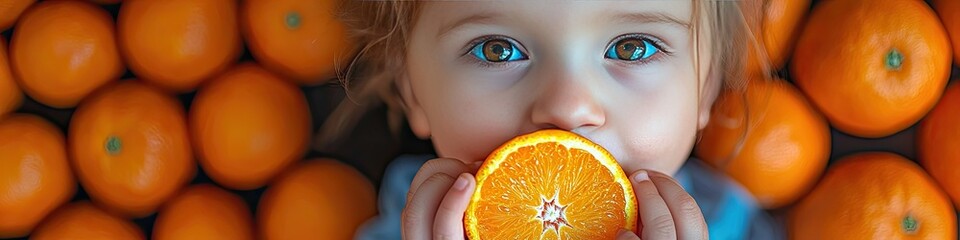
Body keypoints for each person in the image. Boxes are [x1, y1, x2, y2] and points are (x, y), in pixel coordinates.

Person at [323, 1, 782, 239]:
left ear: (705, 88)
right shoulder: (407, 220)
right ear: (411, 90)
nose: (568, 107)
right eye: (497, 49)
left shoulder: (735, 223)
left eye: (631, 48)